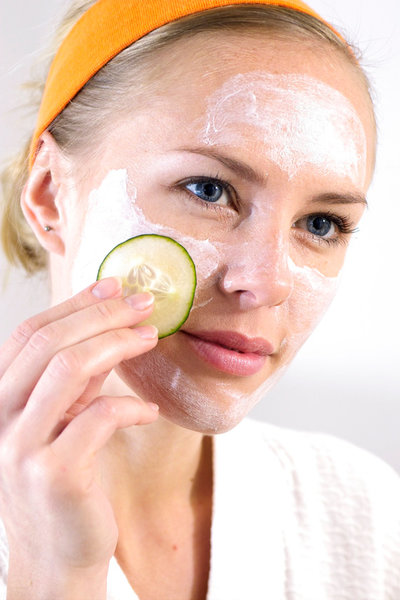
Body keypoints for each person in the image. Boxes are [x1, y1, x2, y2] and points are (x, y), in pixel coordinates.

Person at [0, 0, 399, 598]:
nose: (267, 282)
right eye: (209, 189)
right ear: (51, 195)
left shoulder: (365, 515)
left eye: (321, 224)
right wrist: (56, 574)